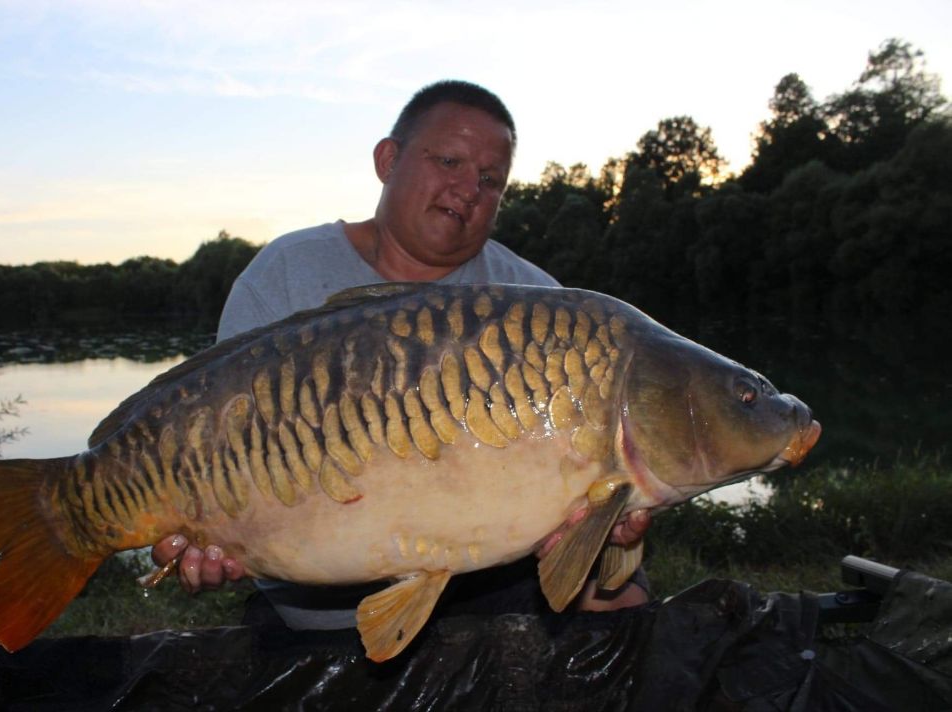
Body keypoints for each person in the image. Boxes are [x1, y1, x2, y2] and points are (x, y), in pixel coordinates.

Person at [151, 80, 651, 628]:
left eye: (490, 180)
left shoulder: (539, 305)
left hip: (489, 588)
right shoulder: (286, 273)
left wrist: (602, 529)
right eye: (450, 161)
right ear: (388, 160)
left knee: (623, 599)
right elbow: (214, 440)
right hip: (313, 596)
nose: (469, 189)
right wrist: (200, 536)